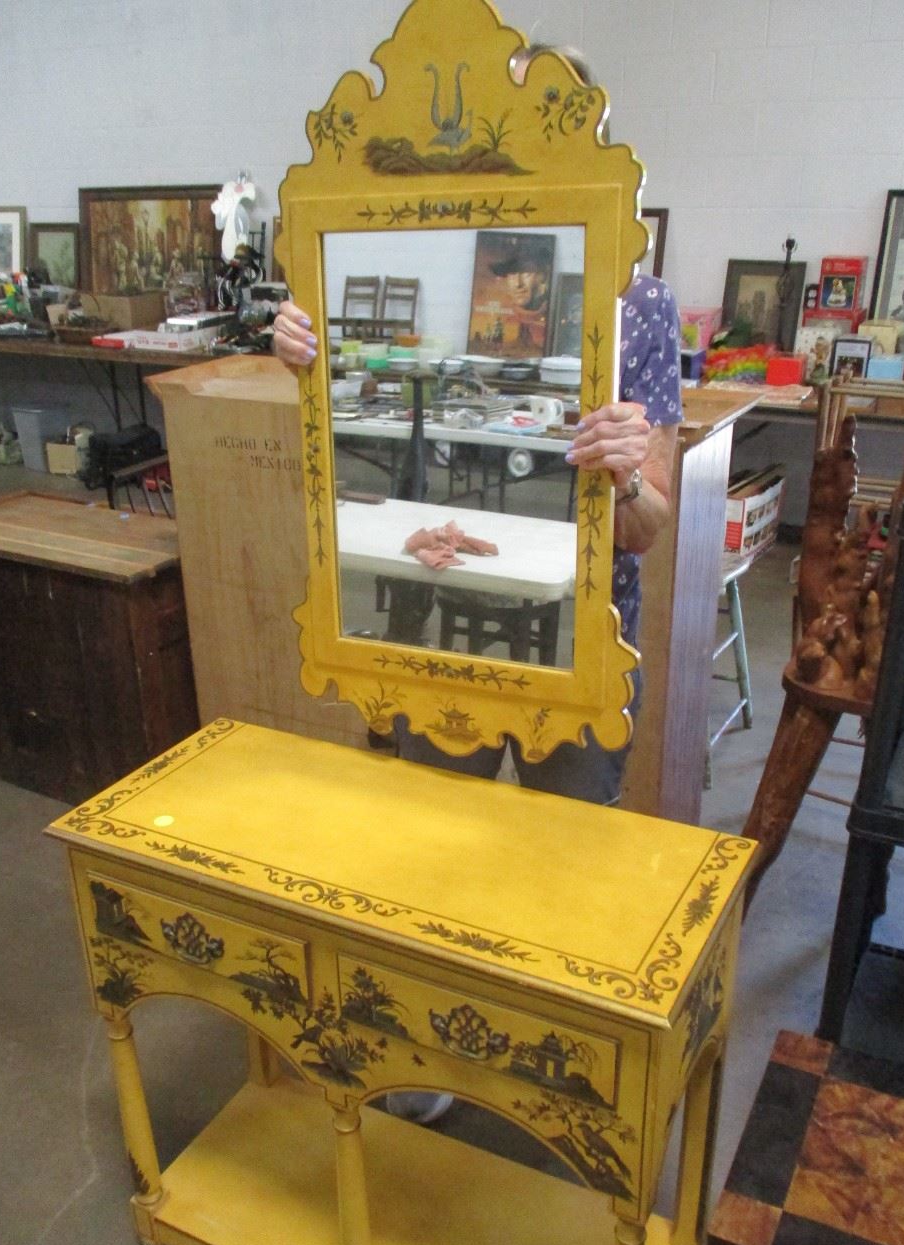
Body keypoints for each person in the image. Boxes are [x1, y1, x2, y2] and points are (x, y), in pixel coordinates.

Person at [272, 40, 681, 1119]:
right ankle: (432, 1057)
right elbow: (364, 439)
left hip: (575, 641)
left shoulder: (638, 307)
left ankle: (549, 1069)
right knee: (434, 859)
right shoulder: (427, 273)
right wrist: (318, 363)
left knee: (563, 874)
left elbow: (644, 530)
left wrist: (628, 469)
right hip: (433, 616)